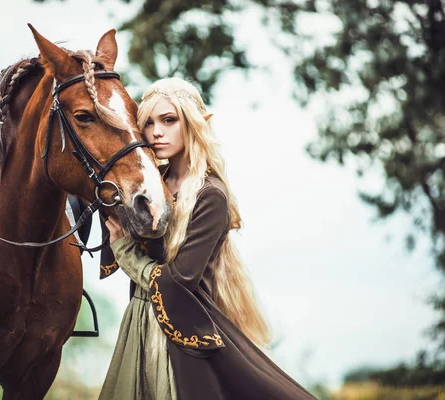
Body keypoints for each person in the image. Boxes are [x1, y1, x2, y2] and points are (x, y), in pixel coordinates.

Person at [97, 77, 316, 400]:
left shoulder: (211, 196)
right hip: (139, 321)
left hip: (183, 332)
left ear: (194, 123)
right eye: (149, 123)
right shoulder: (149, 187)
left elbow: (179, 280)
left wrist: (126, 252)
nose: (157, 132)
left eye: (169, 120)